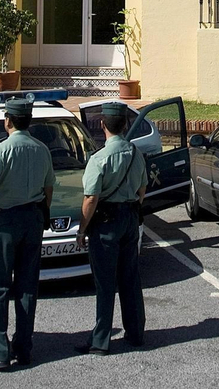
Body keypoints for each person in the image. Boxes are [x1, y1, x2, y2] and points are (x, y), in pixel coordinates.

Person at [0, 99, 55, 371]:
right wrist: (42, 213)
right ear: (28, 121)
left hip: (5, 220)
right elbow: (49, 187)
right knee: (28, 284)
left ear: (8, 121)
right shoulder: (42, 149)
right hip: (33, 217)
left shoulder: (1, 150)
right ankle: (23, 347)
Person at [77, 101, 147, 355]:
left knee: (105, 282)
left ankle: (101, 339)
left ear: (103, 125)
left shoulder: (99, 158)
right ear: (126, 125)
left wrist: (82, 229)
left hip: (106, 221)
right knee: (130, 277)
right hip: (129, 216)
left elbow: (91, 198)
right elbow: (142, 189)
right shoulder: (136, 153)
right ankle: (136, 332)